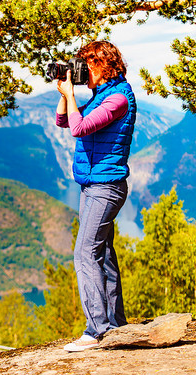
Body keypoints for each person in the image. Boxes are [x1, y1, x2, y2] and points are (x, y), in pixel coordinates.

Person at [55, 40, 135, 352]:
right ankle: (115, 323)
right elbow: (65, 121)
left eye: (85, 65)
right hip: (91, 185)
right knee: (103, 255)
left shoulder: (117, 98)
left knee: (84, 253)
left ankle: (96, 329)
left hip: (106, 187)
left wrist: (73, 95)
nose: (80, 71)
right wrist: (65, 96)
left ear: (102, 66)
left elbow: (80, 128)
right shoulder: (101, 95)